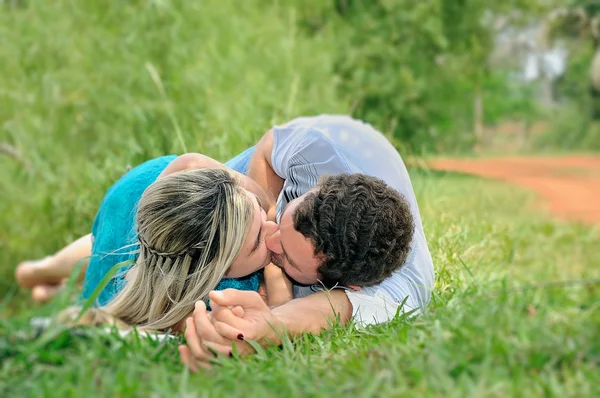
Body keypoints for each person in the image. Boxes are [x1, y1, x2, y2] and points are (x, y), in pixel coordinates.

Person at [180, 115, 435, 370]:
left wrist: (268, 325)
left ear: (350, 285)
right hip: (200, 189)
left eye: (290, 259)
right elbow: (267, 147)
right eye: (285, 218)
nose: (271, 239)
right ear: (317, 186)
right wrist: (273, 267)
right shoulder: (320, 148)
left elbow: (333, 309)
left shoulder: (401, 290)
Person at [16, 151, 289, 332]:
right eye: (256, 242)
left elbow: (191, 163)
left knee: (112, 258)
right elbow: (275, 319)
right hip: (129, 213)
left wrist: (265, 203)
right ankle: (41, 271)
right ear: (213, 273)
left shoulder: (243, 220)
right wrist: (274, 270)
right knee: (110, 255)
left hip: (166, 200)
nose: (273, 229)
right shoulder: (203, 307)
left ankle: (47, 276)